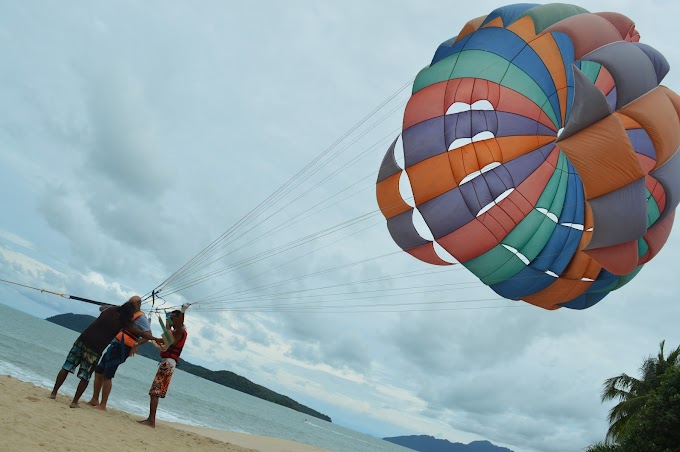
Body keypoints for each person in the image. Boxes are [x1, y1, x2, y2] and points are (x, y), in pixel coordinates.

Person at [49, 295, 159, 408]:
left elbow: (102, 308)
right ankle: (75, 402)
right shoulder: (124, 322)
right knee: (86, 376)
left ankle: (54, 393)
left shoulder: (110, 310)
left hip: (83, 340)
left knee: (67, 367)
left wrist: (114, 306)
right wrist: (155, 339)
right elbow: (141, 333)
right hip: (96, 348)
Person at [86, 296, 152, 411]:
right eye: (129, 303)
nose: (129, 305)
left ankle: (103, 404)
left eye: (132, 304)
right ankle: (95, 399)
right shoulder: (126, 313)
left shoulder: (142, 319)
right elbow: (102, 308)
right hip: (114, 345)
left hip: (123, 347)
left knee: (108, 374)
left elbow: (148, 335)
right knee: (99, 370)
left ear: (138, 305)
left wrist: (135, 345)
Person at [138, 303, 189, 427]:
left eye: (172, 319)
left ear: (177, 319)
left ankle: (151, 421)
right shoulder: (175, 333)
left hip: (168, 364)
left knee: (155, 392)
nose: (170, 321)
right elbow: (166, 337)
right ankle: (151, 419)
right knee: (155, 392)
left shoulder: (180, 331)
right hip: (168, 362)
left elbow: (172, 329)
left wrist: (182, 311)